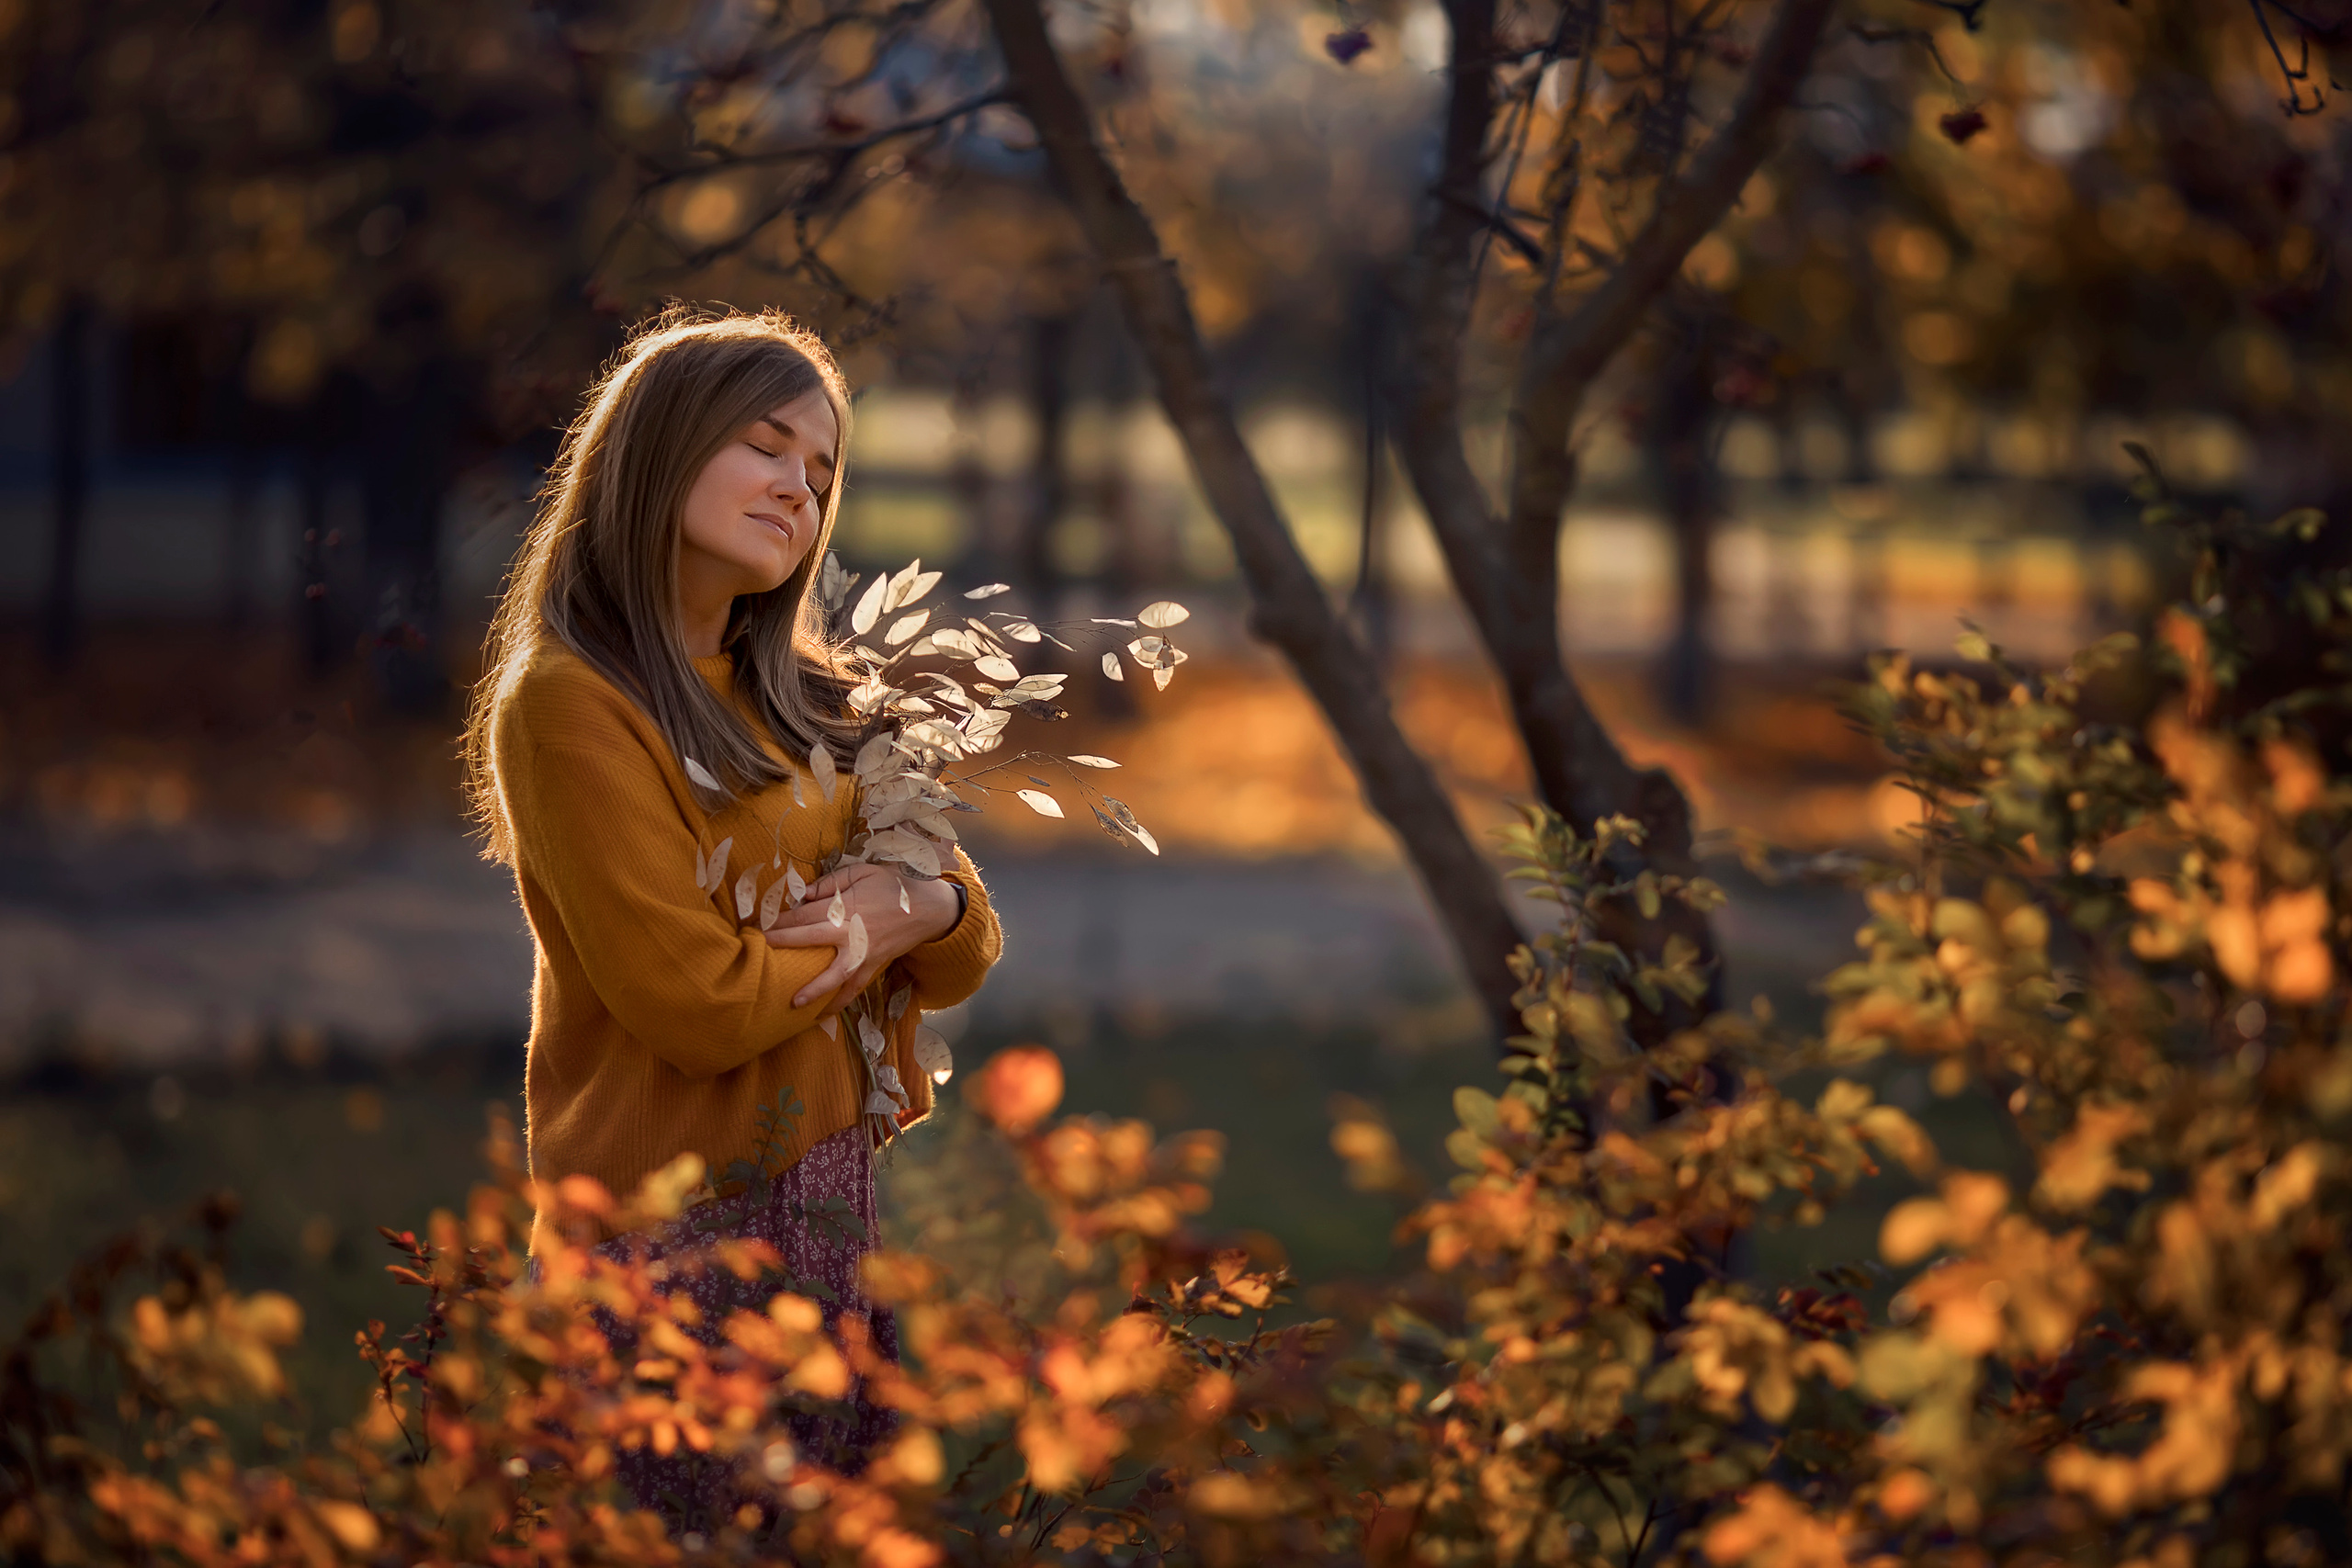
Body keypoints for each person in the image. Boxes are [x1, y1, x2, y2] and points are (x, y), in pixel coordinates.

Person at [459, 307, 1002, 1521]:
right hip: (665, 1239)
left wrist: (917, 904)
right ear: (657, 447)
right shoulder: (569, 706)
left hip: (827, 1213)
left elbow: (965, 941)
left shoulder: (819, 701)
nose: (798, 488)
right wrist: (887, 926)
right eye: (767, 445)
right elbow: (698, 1010)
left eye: (820, 470)